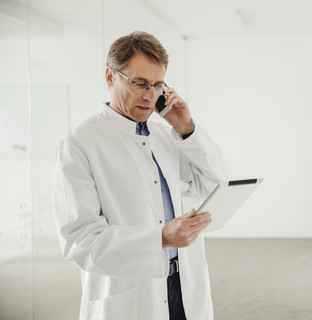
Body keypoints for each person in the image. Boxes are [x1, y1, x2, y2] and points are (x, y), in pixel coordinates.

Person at [53, 31, 230, 320]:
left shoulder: (166, 134)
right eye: (140, 83)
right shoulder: (80, 143)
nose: (150, 95)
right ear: (110, 77)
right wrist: (159, 239)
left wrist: (187, 128)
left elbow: (217, 184)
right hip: (131, 293)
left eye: (158, 85)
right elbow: (80, 241)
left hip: (183, 285)